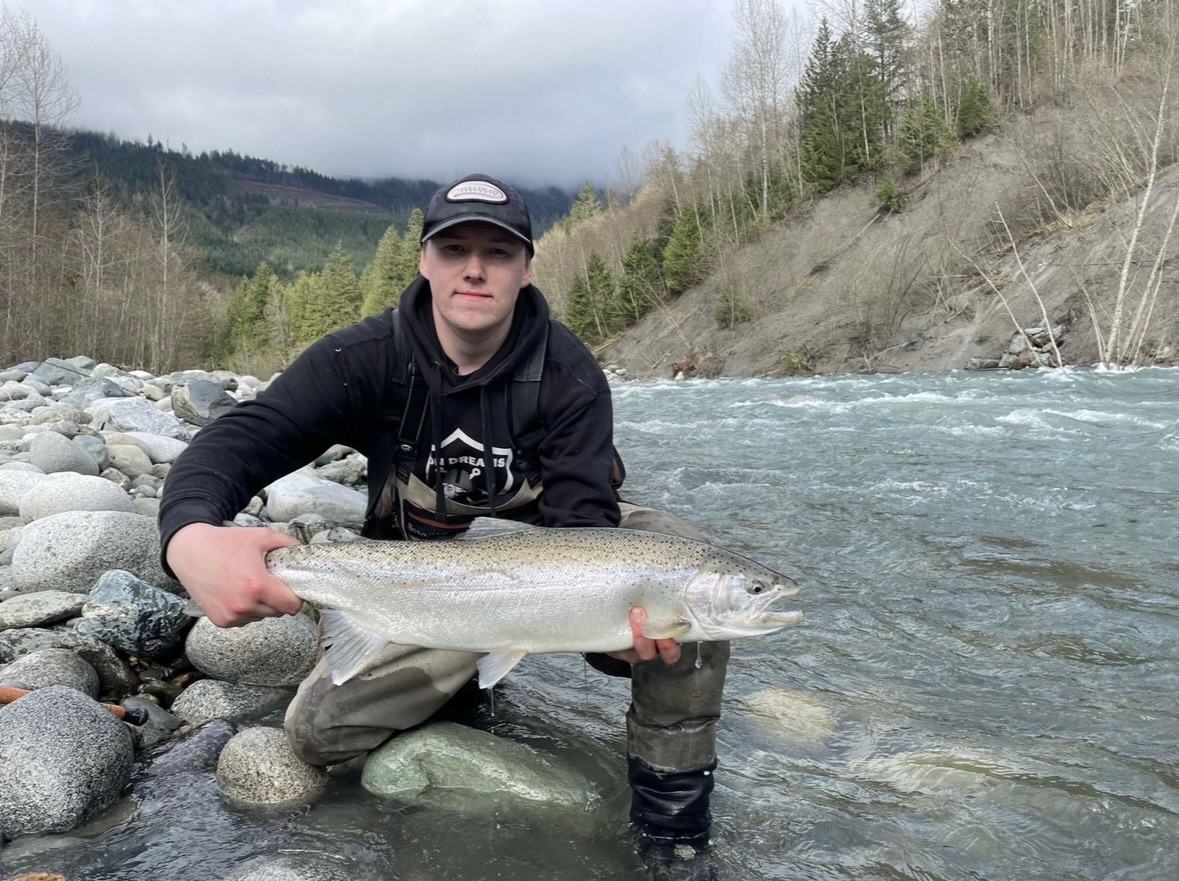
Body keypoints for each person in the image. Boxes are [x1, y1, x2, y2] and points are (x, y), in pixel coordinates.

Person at [159, 173, 729, 866]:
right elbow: (239, 440)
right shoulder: (361, 359)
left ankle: (673, 824)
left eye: (498, 251)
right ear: (425, 259)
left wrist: (618, 643)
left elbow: (584, 526)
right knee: (317, 735)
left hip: (550, 569)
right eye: (454, 247)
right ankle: (457, 676)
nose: (475, 268)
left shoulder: (569, 374)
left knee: (690, 572)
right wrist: (188, 537)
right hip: (417, 583)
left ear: (524, 268)